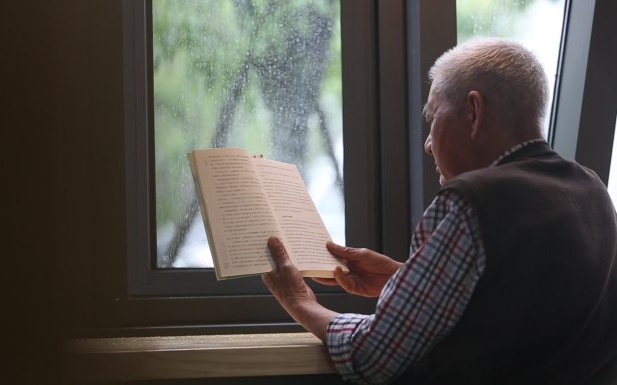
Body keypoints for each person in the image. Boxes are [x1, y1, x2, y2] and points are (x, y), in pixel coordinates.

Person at [262, 37, 617, 384]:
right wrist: (403, 279)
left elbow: (373, 356)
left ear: (473, 112)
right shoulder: (591, 189)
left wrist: (300, 301)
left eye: (432, 117)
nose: (429, 144)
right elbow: (531, 306)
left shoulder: (471, 202)